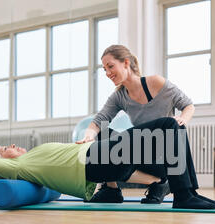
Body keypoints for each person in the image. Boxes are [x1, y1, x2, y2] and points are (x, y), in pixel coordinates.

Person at [0, 117, 215, 210]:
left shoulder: (29, 159)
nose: (11, 146)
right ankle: (185, 195)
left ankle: (187, 192)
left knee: (171, 140)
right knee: (167, 125)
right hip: (95, 160)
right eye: (4, 149)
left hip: (102, 158)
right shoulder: (19, 168)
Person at [76, 44, 196, 204]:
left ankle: (161, 182)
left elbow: (188, 105)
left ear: (126, 63)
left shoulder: (156, 83)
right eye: (104, 69)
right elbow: (99, 120)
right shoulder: (119, 96)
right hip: (142, 154)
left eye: (110, 66)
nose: (107, 73)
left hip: (163, 159)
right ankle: (111, 189)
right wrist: (88, 136)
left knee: (163, 127)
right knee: (103, 132)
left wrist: (182, 119)